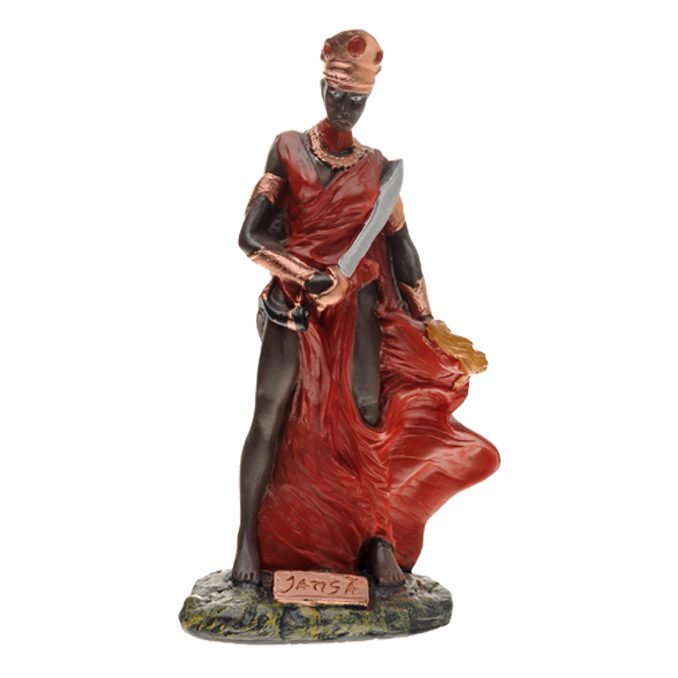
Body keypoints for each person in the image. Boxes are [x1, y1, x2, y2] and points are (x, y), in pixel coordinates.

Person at [232, 30, 499, 586]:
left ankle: (376, 538)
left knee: (369, 416)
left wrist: (427, 319)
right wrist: (309, 278)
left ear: (368, 99)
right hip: (293, 307)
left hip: (359, 311)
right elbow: (251, 238)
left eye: (356, 99)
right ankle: (247, 544)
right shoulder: (288, 148)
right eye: (337, 94)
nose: (345, 106)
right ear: (322, 87)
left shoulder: (378, 169)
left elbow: (402, 246)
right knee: (270, 412)